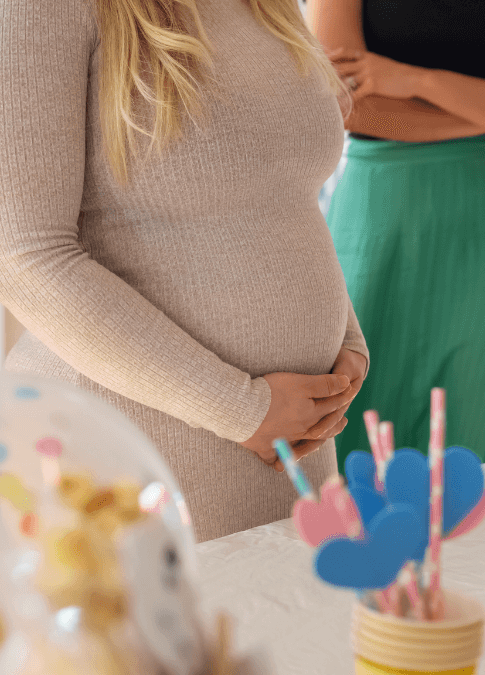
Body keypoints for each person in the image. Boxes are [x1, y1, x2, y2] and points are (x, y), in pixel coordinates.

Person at [0, 0, 368, 542]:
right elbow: (24, 255)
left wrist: (347, 342)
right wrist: (242, 409)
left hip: (294, 439)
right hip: (137, 454)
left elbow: (284, 195)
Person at [308, 0, 485, 466]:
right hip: (384, 214)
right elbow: (342, 105)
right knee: (359, 419)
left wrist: (414, 80)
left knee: (484, 447)